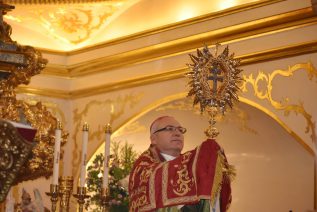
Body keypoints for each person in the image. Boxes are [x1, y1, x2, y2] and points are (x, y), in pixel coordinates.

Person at [129, 116, 234, 212]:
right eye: (169, 128)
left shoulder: (193, 166)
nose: (177, 133)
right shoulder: (142, 167)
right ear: (153, 139)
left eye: (180, 130)